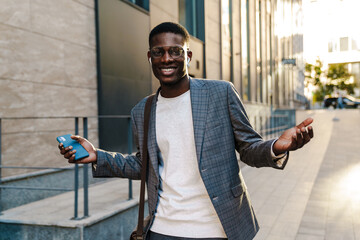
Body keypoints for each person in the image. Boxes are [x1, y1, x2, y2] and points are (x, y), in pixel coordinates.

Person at [59, 22, 314, 240]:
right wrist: (97, 156)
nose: (166, 58)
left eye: (175, 51)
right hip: (163, 228)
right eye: (158, 52)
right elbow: (143, 165)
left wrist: (276, 147)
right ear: (150, 57)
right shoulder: (142, 110)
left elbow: (247, 148)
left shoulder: (220, 93)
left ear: (188, 56)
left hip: (217, 227)